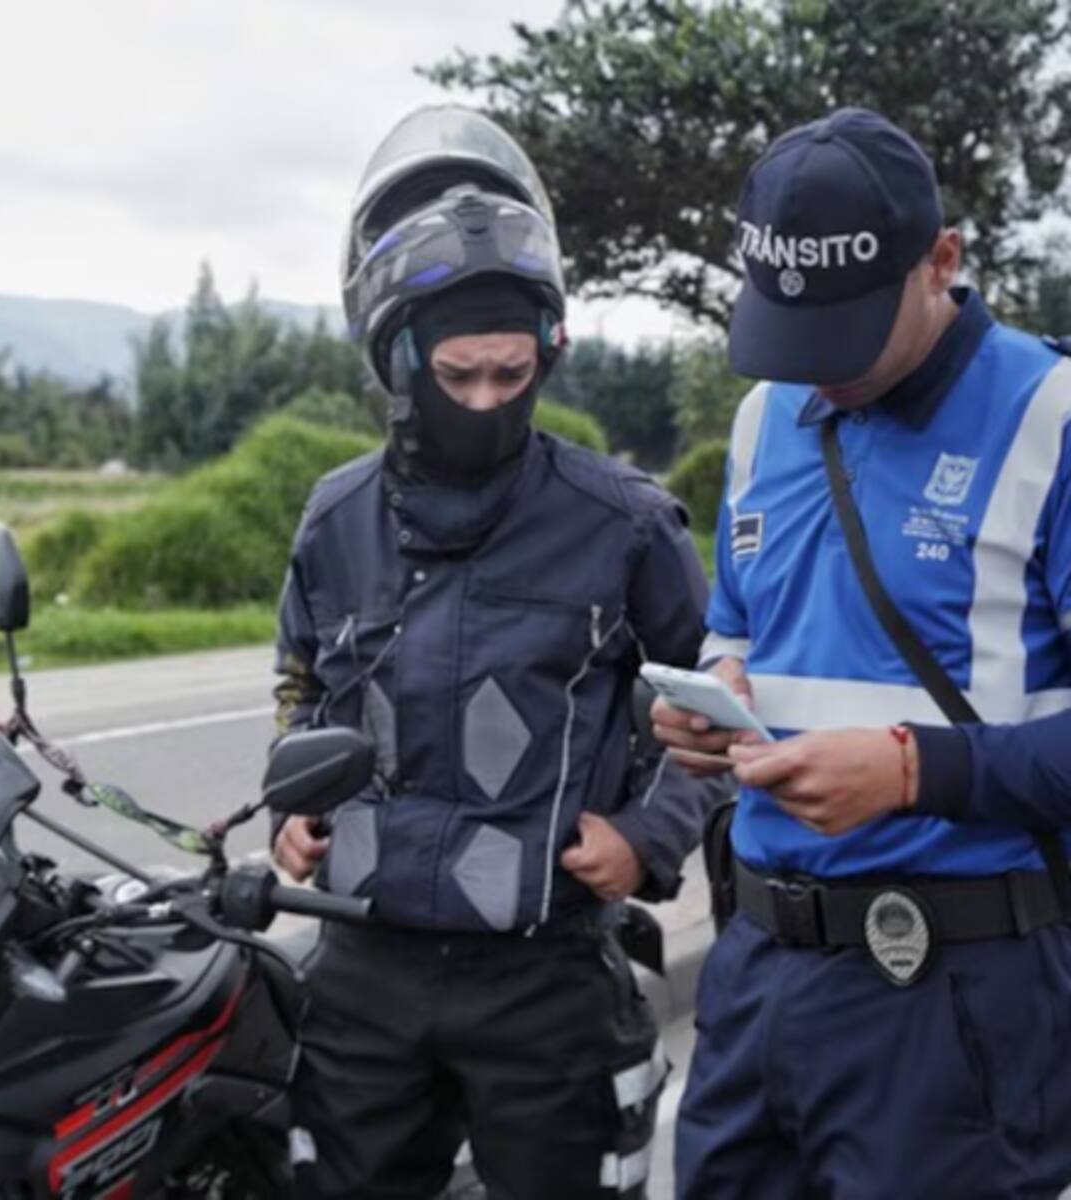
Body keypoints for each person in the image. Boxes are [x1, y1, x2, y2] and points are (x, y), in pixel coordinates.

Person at [270, 104, 718, 1200]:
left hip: (547, 977)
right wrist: (289, 800)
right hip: (362, 972)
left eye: (512, 376)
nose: (485, 402)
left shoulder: (626, 523)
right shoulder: (335, 521)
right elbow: (298, 683)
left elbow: (719, 715)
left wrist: (648, 837)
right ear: (398, 358)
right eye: (459, 376)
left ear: (546, 355)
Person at [653, 106, 1071, 1199]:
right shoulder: (760, 423)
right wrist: (711, 699)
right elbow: (740, 631)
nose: (814, 376)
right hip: (754, 979)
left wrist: (912, 771)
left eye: (846, 331)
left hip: (956, 994)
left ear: (943, 262)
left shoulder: (1050, 419)